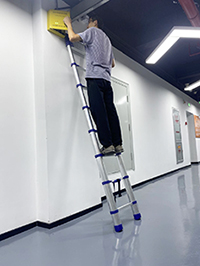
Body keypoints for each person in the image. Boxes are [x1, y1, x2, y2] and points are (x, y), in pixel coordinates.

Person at [63, 15, 123, 155]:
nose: (87, 26)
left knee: (98, 111)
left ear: (95, 22)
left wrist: (68, 24)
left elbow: (72, 38)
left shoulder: (93, 32)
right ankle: (117, 143)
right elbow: (112, 64)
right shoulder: (107, 40)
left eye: (88, 22)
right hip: (107, 80)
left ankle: (107, 145)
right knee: (111, 112)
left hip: (95, 78)